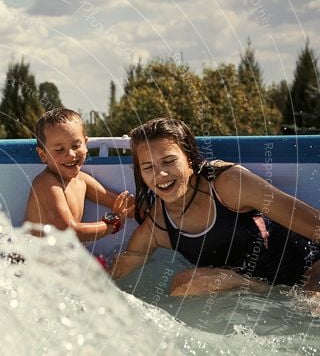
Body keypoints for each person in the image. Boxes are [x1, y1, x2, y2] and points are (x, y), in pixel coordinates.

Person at [111, 117, 320, 296]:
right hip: (260, 290)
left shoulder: (229, 184)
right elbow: (114, 278)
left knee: (313, 306)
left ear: (190, 160)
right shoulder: (158, 227)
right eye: (148, 167)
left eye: (169, 161)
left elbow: (315, 226)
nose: (160, 174)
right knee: (185, 284)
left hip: (309, 270)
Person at [24, 108, 134, 240]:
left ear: (85, 144)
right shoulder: (47, 184)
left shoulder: (82, 180)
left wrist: (149, 211)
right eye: (59, 149)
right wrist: (111, 223)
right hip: (32, 259)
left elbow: (121, 203)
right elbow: (71, 232)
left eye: (76, 146)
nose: (70, 154)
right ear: (43, 155)